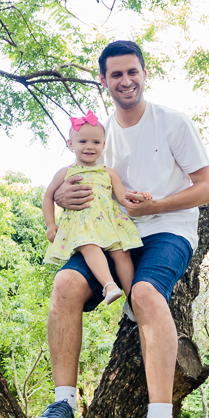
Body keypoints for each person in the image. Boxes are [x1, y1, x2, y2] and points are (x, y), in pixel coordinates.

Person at [29, 40, 209, 418]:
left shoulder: (172, 122)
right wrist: (60, 196)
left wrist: (156, 207)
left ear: (144, 72)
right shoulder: (98, 134)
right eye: (116, 74)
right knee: (65, 288)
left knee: (146, 293)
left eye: (132, 71)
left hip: (166, 228)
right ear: (104, 81)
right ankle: (64, 403)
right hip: (110, 236)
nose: (125, 81)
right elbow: (68, 182)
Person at [42, 111, 150, 304]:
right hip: (81, 223)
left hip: (107, 221)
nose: (89, 147)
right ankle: (109, 285)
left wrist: (140, 197)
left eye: (96, 142)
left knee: (122, 254)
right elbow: (48, 196)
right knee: (88, 246)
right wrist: (50, 224)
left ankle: (134, 301)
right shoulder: (66, 172)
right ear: (71, 144)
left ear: (103, 145)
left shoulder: (109, 173)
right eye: (83, 142)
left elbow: (124, 197)